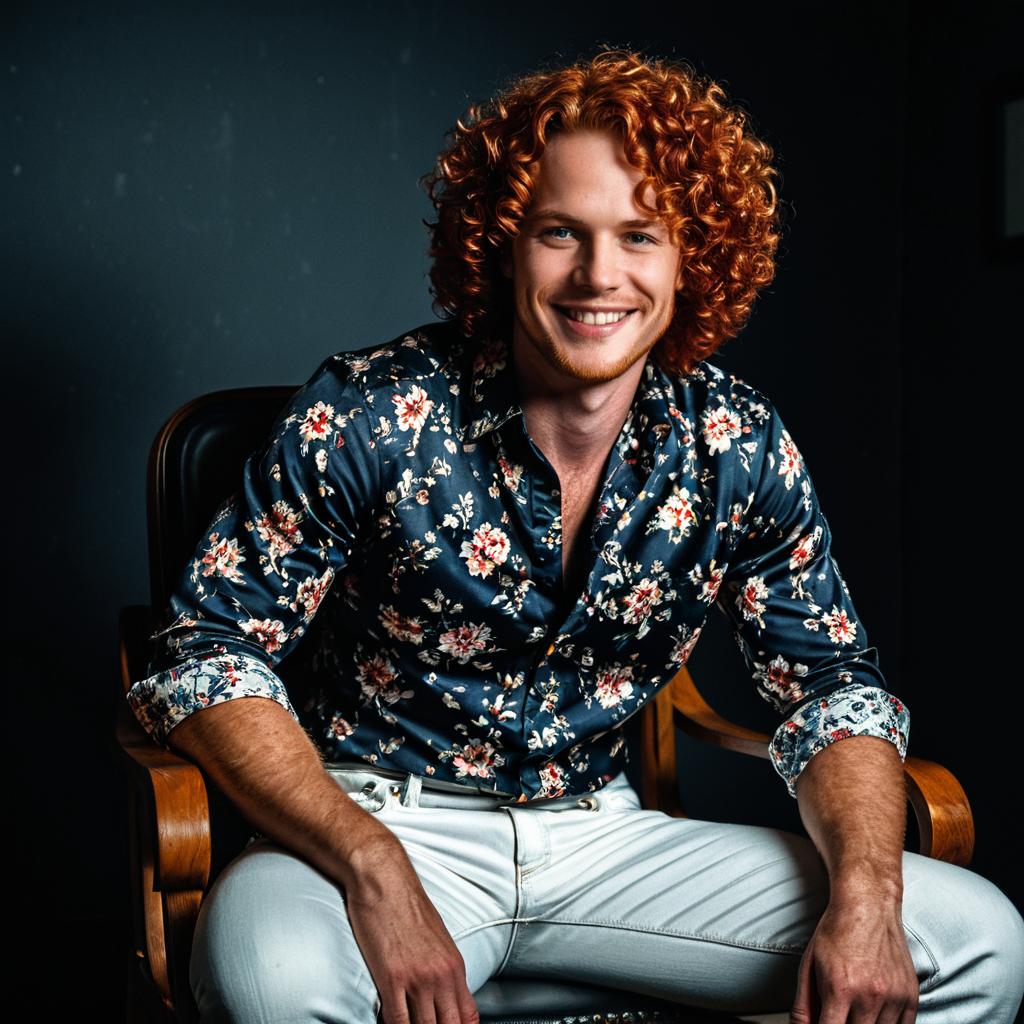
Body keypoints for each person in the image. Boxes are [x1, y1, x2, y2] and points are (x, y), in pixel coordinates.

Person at [127, 46, 1024, 1024]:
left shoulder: (734, 442)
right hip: (376, 817)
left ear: (694, 258)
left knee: (976, 939)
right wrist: (371, 863)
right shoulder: (371, 409)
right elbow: (205, 655)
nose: (600, 275)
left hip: (605, 839)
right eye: (562, 232)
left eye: (639, 236)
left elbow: (831, 688)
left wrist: (868, 896)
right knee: (269, 973)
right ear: (501, 243)